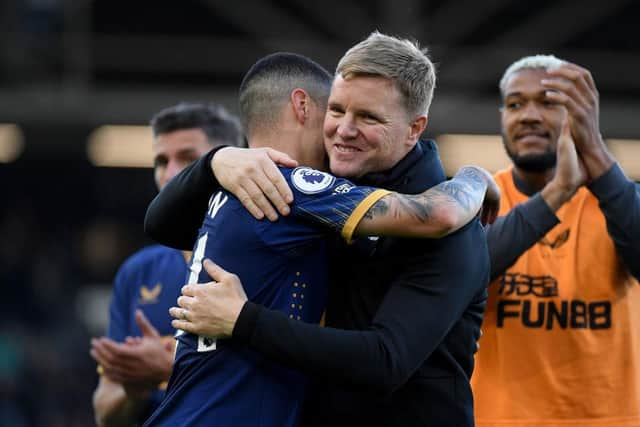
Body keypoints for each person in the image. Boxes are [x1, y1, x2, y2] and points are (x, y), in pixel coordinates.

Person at [145, 32, 492, 427]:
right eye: (338, 110)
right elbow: (161, 224)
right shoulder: (301, 194)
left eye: (368, 117)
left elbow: (384, 361)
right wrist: (215, 162)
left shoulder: (453, 234)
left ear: (414, 129)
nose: (344, 129)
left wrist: (244, 321)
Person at [470, 55, 640, 425]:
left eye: (548, 102)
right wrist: (560, 191)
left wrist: (593, 148)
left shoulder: (616, 201)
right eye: (515, 104)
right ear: (502, 116)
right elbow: (469, 269)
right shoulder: (479, 199)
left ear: (579, 116)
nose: (529, 115)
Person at [89, 102, 244, 427]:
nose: (172, 173)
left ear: (229, 162)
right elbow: (105, 413)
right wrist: (136, 388)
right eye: (161, 161)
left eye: (188, 159)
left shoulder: (257, 255)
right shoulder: (138, 271)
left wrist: (168, 367)